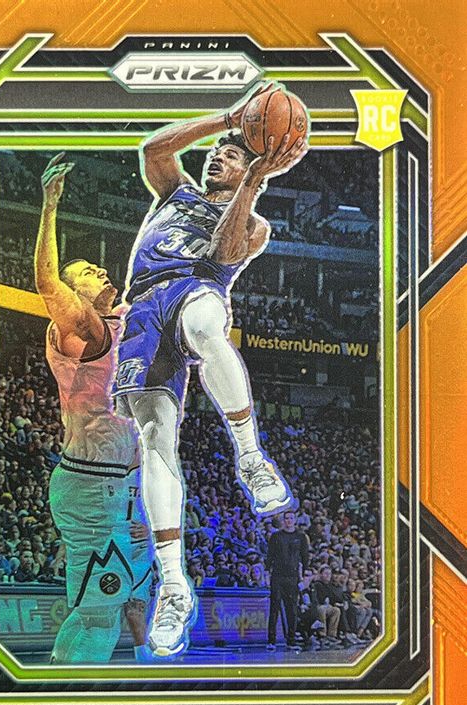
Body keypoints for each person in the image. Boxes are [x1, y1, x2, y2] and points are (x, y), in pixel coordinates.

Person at [112, 83, 308, 657]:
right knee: (154, 437)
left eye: (232, 152)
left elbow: (222, 254)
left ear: (253, 167)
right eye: (217, 150)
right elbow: (153, 148)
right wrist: (230, 118)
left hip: (196, 288)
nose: (217, 155)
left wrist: (253, 182)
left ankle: (250, 457)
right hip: (143, 307)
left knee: (204, 324)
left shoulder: (256, 225)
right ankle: (174, 585)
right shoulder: (176, 192)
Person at [34, 153, 152, 664]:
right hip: (90, 483)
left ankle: (62, 687)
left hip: (114, 484)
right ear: (76, 293)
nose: (100, 269)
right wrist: (50, 207)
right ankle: (69, 695)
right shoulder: (85, 332)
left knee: (106, 605)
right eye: (86, 271)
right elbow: (47, 283)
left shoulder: (122, 324)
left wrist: (138, 499)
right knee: (99, 612)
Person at [266, 510, 309, 651]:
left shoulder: (301, 537)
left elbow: (305, 556)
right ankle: (271, 641)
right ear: (283, 521)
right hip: (277, 576)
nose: (289, 521)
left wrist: (304, 574)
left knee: (292, 609)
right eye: (286, 518)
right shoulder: (276, 536)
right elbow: (270, 555)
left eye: (291, 518)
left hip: (293, 577)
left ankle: (291, 640)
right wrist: (267, 572)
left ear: (295, 520)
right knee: (274, 608)